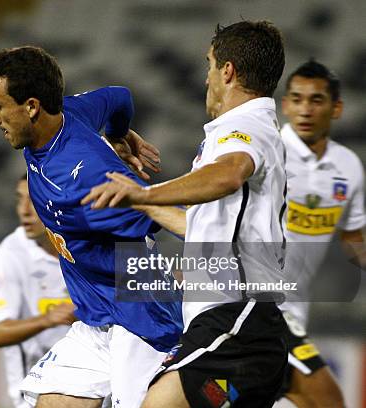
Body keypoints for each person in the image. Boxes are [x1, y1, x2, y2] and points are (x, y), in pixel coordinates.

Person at [83, 21, 289, 407]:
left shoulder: (245, 126)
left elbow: (229, 173)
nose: (207, 77)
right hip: (240, 324)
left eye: (210, 64)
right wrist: (137, 198)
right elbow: (199, 229)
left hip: (236, 318)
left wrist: (145, 191)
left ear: (227, 71)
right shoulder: (244, 131)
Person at [0, 46, 183, 408]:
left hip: (138, 322)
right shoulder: (71, 113)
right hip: (96, 318)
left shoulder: (82, 177)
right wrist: (121, 134)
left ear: (31, 107)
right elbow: (120, 96)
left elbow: (161, 216)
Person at [273, 60, 365, 408]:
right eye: (296, 99)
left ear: (336, 107)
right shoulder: (268, 154)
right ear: (285, 105)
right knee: (327, 399)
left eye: (316, 100)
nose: (305, 109)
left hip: (296, 312)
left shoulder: (348, 166)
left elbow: (353, 240)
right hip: (260, 305)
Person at [0, 176, 76, 408]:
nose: (24, 211)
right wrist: (48, 319)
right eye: (19, 200)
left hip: (99, 386)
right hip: (38, 394)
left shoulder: (87, 245)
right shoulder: (9, 257)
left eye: (33, 200)